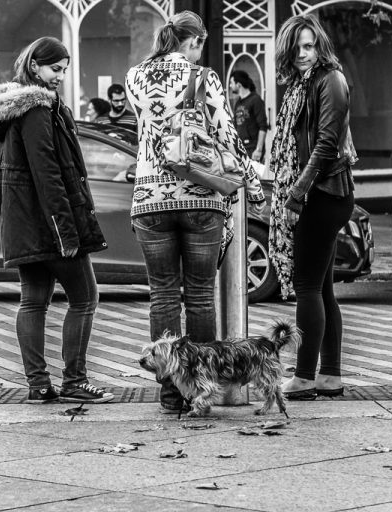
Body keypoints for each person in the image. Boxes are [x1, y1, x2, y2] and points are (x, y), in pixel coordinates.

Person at [125, 11, 266, 413]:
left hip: (150, 198)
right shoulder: (204, 78)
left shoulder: (134, 77)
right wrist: (253, 187)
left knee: (163, 295)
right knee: (200, 296)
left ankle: (170, 394)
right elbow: (228, 136)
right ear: (196, 41)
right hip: (201, 198)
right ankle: (200, 389)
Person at [0, 37, 113, 404]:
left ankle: (38, 385)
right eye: (55, 69)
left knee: (33, 301)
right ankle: (74, 381)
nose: (60, 77)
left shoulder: (9, 112)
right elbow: (48, 174)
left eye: (65, 70)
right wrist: (65, 230)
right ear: (34, 66)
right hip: (49, 223)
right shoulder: (37, 109)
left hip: (23, 224)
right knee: (85, 298)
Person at [269, 14, 357, 398]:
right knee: (322, 288)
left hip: (322, 193)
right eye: (297, 48)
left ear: (320, 45)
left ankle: (304, 376)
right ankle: (330, 376)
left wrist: (295, 194)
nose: (303, 54)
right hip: (319, 193)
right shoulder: (299, 85)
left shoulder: (330, 81)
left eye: (309, 46)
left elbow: (325, 145)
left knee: (307, 286)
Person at [229, 70, 268, 163]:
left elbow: (263, 127)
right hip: (241, 149)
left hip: (253, 150)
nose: (230, 86)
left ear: (238, 84)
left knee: (254, 177)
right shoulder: (238, 102)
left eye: (231, 83)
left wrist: (259, 150)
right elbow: (235, 126)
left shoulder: (255, 100)